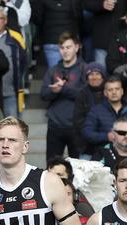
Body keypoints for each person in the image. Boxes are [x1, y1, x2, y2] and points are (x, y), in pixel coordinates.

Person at [40, 32, 86, 160]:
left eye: (68, 47)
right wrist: (54, 91)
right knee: (51, 167)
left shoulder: (84, 69)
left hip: (76, 126)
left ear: (76, 47)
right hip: (55, 125)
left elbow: (85, 95)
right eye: (62, 48)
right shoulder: (53, 70)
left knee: (78, 170)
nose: (65, 51)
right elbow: (43, 94)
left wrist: (63, 89)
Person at [0, 5, 26, 118]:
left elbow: (23, 62)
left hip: (11, 93)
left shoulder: (16, 37)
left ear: (5, 20)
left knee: (11, 128)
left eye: (0, 18)